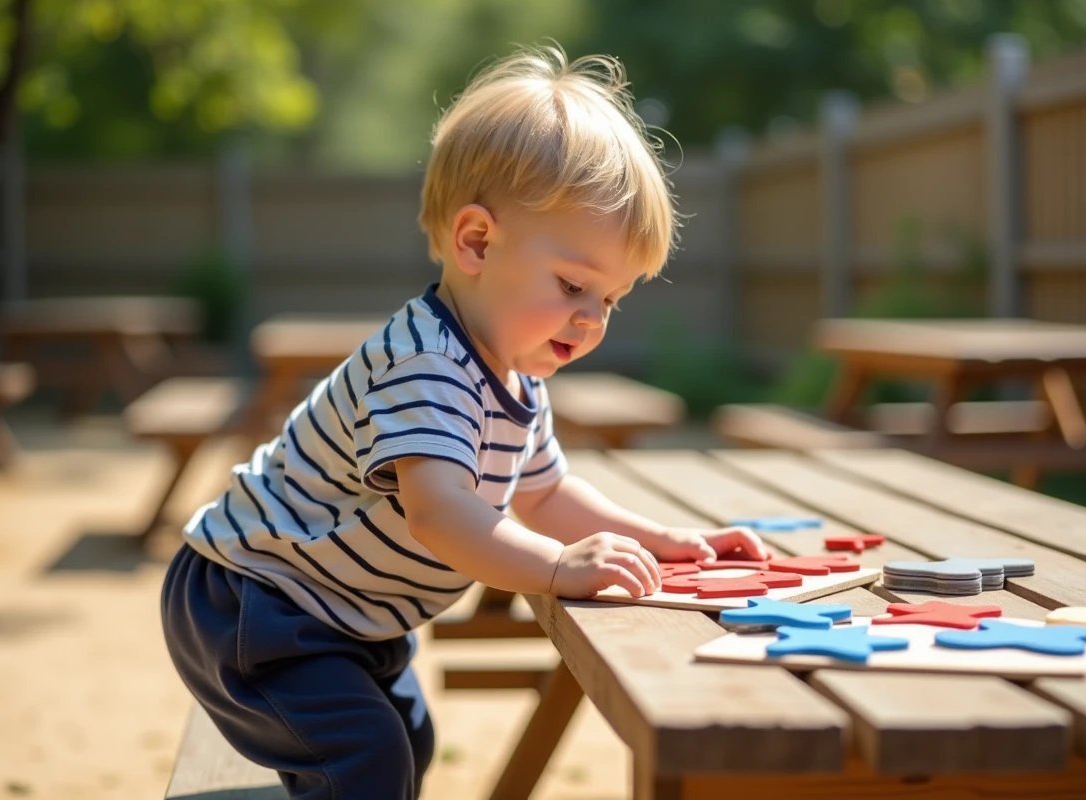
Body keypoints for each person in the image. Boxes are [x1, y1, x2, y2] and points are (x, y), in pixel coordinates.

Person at [160, 43, 768, 800]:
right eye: (575, 284)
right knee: (366, 761)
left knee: (408, 745)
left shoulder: (514, 370)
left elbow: (545, 495)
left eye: (609, 300)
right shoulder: (427, 363)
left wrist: (665, 540)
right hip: (260, 602)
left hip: (347, 619)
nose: (591, 319)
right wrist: (552, 569)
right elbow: (441, 514)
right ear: (476, 241)